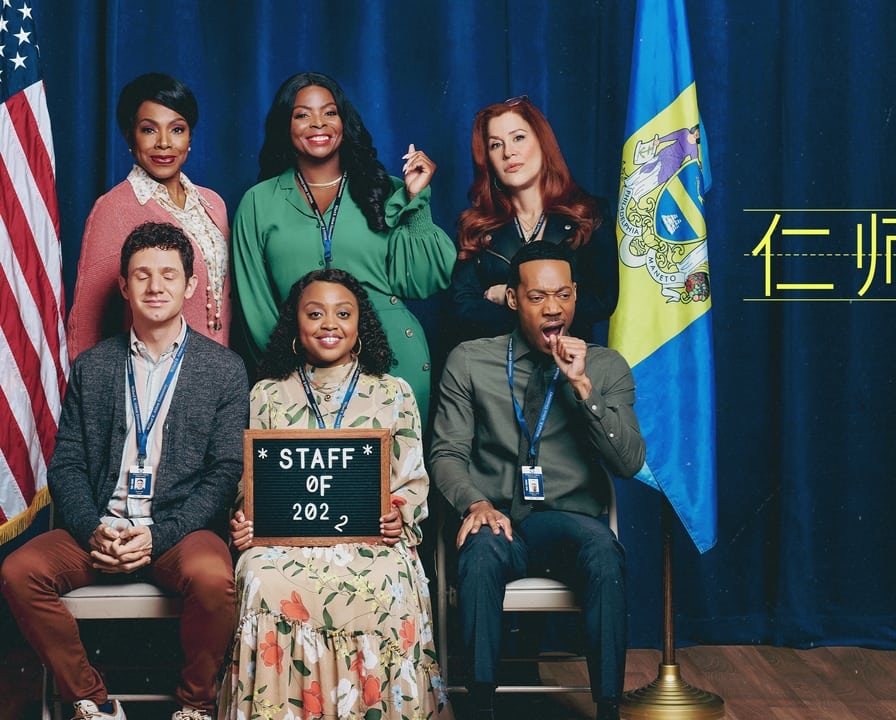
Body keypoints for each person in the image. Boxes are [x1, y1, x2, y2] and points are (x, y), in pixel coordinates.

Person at [1, 222, 248, 720]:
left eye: (168, 275)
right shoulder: (93, 367)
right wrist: (94, 528)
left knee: (214, 579)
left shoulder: (224, 370)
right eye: (142, 275)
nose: (155, 286)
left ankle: (195, 706)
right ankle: (92, 701)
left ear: (190, 286)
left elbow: (224, 473)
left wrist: (157, 537)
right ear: (123, 285)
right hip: (101, 527)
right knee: (18, 571)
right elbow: (67, 463)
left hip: (177, 531)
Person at [219, 268, 451, 720]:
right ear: (295, 323)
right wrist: (245, 517)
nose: (330, 324)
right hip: (287, 542)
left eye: (343, 314)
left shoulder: (393, 393)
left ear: (360, 323)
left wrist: (399, 515)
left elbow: (413, 479)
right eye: (315, 314)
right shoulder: (267, 395)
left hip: (371, 537)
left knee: (390, 582)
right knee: (260, 577)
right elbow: (251, 482)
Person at [429, 242, 645, 720]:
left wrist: (582, 386)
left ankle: (608, 708)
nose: (553, 308)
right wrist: (475, 504)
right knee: (480, 550)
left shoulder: (606, 365)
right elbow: (446, 453)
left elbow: (629, 462)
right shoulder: (470, 361)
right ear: (512, 299)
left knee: (604, 550)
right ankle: (480, 707)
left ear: (576, 296)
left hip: (568, 521)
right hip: (498, 517)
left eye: (563, 295)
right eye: (538, 296)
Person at [233, 71, 455, 407]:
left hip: (393, 365)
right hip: (298, 375)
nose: (318, 123)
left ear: (344, 121)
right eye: (302, 115)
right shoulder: (258, 202)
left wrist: (417, 203)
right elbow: (256, 305)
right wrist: (288, 375)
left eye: (329, 112)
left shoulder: (385, 189)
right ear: (285, 125)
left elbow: (424, 281)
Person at [67, 73, 232, 361]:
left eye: (177, 129)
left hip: (215, 369)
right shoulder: (114, 207)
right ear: (130, 136)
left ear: (190, 137)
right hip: (148, 372)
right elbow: (86, 322)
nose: (164, 143)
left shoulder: (213, 204)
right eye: (149, 130)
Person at [451, 96, 617, 343]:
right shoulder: (475, 226)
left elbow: (602, 300)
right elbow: (464, 309)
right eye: (496, 145)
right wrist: (542, 308)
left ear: (542, 143)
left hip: (570, 358)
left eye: (518, 138)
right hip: (498, 360)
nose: (509, 152)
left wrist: (512, 299)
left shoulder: (588, 213)